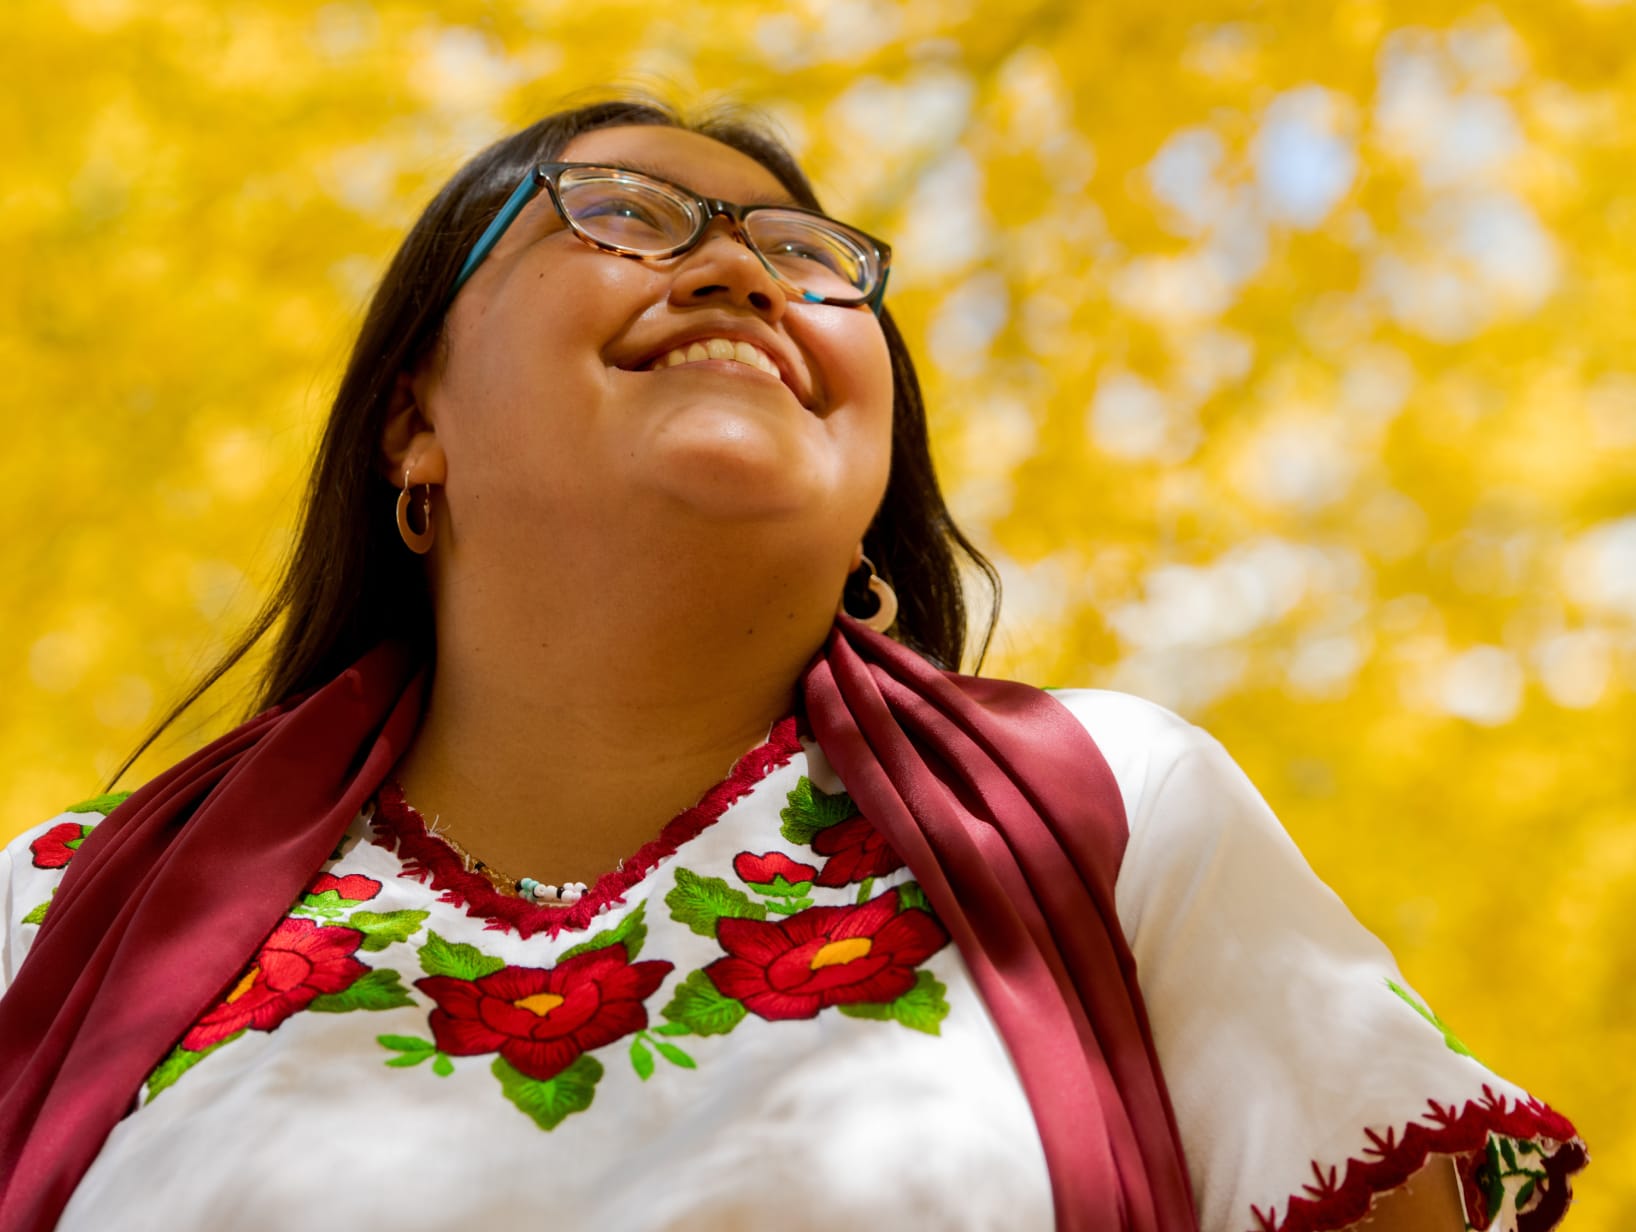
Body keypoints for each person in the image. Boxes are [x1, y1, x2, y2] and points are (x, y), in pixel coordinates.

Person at [0, 97, 1585, 1232]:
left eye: (809, 258)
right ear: (415, 420)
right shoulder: (50, 916)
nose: (746, 273)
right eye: (626, 214)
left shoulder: (1115, 812)